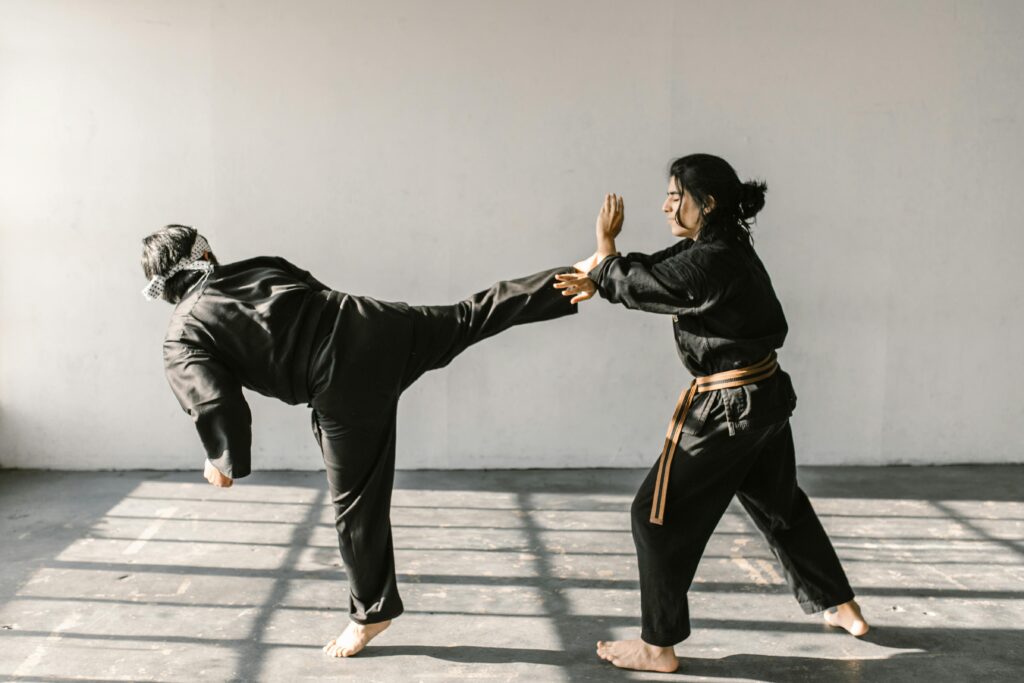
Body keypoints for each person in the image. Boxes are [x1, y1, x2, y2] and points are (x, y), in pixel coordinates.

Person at [141, 225, 577, 657]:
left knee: (356, 508)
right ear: (205, 255)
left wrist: (222, 460)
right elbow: (315, 293)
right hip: (377, 324)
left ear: (161, 287)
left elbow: (217, 403)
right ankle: (579, 277)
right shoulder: (258, 267)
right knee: (471, 314)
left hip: (342, 387)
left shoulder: (182, 335)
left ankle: (371, 614)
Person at [554, 154, 869, 674]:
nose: (665, 205)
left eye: (677, 196)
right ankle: (843, 607)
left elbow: (657, 284)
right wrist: (603, 274)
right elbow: (662, 269)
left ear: (709, 203)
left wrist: (606, 256)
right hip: (764, 395)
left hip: (729, 406)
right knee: (778, 505)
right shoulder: (724, 246)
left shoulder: (713, 260)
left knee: (653, 517)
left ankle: (658, 646)